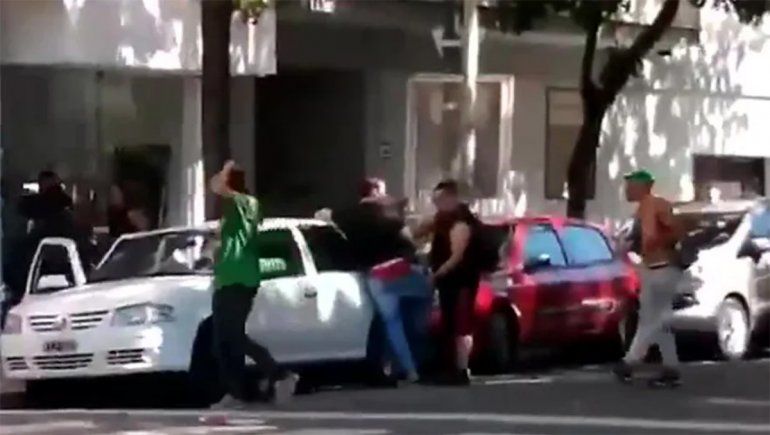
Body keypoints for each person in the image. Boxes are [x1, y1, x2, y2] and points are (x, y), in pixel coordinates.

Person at [209, 161, 297, 408]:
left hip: (239, 278)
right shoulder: (237, 210)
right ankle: (235, 392)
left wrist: (225, 169)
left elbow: (215, 186)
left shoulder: (243, 202)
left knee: (232, 336)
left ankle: (279, 373)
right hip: (228, 278)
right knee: (223, 340)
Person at [330, 178, 432, 383]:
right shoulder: (388, 214)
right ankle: (420, 363)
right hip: (401, 270)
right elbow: (409, 243)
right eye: (383, 192)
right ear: (375, 191)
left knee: (392, 322)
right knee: (419, 312)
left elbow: (325, 220)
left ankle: (409, 369)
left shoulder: (343, 216)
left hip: (375, 274)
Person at [614, 169, 684, 388]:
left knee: (653, 318)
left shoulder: (653, 204)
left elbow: (664, 232)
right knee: (658, 320)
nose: (626, 190)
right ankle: (671, 368)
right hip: (655, 267)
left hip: (661, 268)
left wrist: (652, 245)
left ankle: (630, 361)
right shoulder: (647, 208)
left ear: (642, 186)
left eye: (630, 185)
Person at [416, 180, 482, 386]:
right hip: (449, 282)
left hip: (462, 281)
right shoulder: (442, 220)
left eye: (440, 199)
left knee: (461, 325)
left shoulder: (461, 222)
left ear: (452, 198)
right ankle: (452, 368)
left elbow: (456, 257)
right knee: (451, 323)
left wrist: (436, 275)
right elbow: (417, 234)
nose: (436, 203)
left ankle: (462, 369)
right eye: (434, 200)